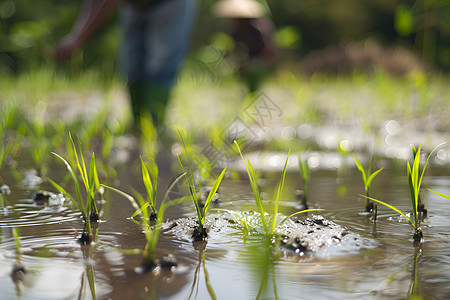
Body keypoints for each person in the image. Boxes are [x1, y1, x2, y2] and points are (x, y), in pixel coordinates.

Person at [54, 0, 198, 129]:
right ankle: (138, 124)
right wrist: (77, 33)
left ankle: (153, 127)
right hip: (135, 6)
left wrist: (79, 38)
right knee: (132, 64)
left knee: (160, 64)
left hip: (170, 4)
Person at [212, 0, 276, 92]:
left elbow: (267, 53)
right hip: (245, 64)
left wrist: (250, 64)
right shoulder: (236, 31)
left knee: (254, 86)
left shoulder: (258, 30)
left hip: (260, 63)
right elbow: (232, 48)